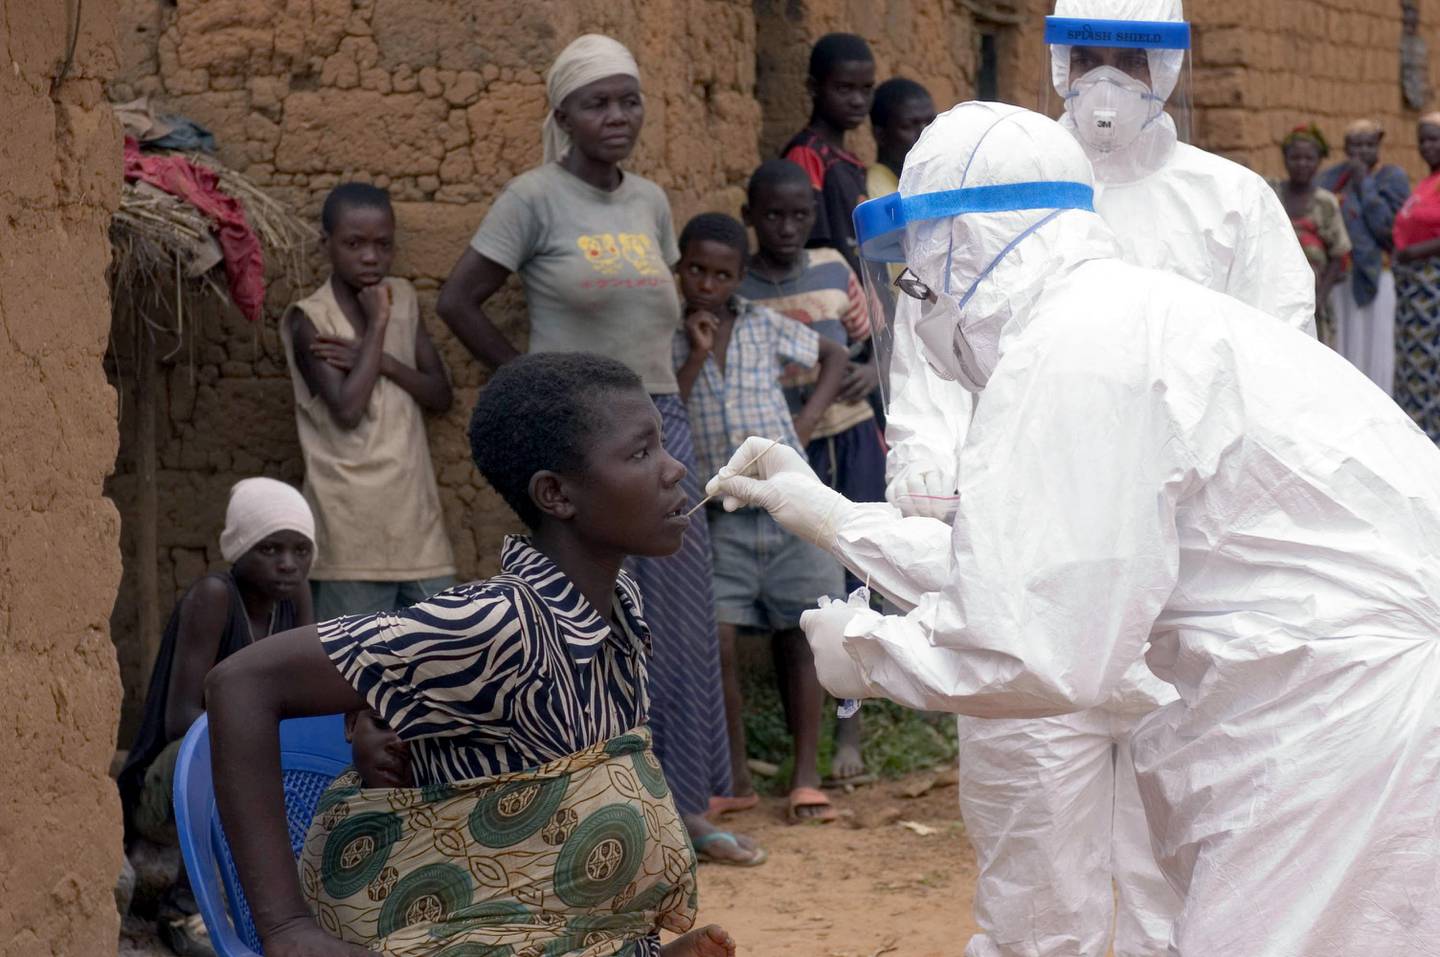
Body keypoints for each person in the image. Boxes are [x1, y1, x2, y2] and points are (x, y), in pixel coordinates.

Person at [710, 100, 1440, 957]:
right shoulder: (1111, 319)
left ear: (965, 245)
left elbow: (1048, 646)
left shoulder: (1073, 347)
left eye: (917, 274)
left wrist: (871, 653)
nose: (918, 298)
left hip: (1341, 708)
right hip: (1340, 694)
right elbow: (1037, 567)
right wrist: (836, 518)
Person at [880, 3, 1318, 955]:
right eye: (1089, 56)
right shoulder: (993, 185)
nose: (1106, 80)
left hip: (1181, 592)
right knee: (1033, 860)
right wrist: (925, 460)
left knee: (1190, 861)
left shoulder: (1232, 204)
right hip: (1031, 570)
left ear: (1169, 69)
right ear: (1056, 59)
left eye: (1132, 57)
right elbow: (934, 344)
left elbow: (1275, 376)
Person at [205, 353, 737, 957]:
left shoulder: (621, 613)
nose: (674, 471)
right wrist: (284, 929)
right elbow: (241, 682)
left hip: (547, 928)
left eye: (662, 447)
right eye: (641, 453)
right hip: (445, 934)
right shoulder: (497, 627)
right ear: (557, 494)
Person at [436, 33, 734, 868]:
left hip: (660, 426)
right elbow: (459, 300)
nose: (617, 116)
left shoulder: (649, 202)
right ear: (562, 113)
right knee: (587, 628)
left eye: (628, 100)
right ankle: (601, 809)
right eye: (597, 102)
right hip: (583, 452)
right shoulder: (532, 198)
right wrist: (534, 384)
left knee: (676, 622)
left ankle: (687, 809)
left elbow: (654, 319)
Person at [675, 211, 849, 824]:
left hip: (787, 505)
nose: (707, 284)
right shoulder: (671, 341)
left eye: (722, 275)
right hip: (719, 515)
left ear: (739, 280)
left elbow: (832, 355)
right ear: (679, 271)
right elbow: (674, 400)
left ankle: (806, 776)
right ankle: (737, 777)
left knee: (804, 633)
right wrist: (695, 352)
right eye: (695, 270)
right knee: (716, 638)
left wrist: (798, 431)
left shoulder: (763, 325)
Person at [117, 477, 315, 952]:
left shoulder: (296, 599)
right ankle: (183, 909)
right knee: (235, 756)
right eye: (270, 548)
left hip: (250, 762)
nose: (288, 564)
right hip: (165, 787)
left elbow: (310, 700)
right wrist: (261, 739)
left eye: (300, 550)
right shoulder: (215, 597)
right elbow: (180, 719)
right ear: (240, 547)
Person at [735, 159, 883, 785]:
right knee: (795, 581)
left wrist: (871, 373)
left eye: (799, 215)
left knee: (854, 572)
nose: (787, 227)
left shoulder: (830, 267)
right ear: (750, 218)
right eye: (773, 215)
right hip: (778, 453)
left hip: (843, 440)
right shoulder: (736, 287)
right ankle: (805, 731)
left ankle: (851, 724)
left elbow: (877, 336)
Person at [280, 182, 456, 621]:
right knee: (351, 676)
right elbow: (347, 411)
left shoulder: (405, 300)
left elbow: (441, 394)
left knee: (440, 666)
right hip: (350, 535)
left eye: (383, 245)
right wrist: (377, 324)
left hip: (418, 532)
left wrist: (384, 363)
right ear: (327, 245)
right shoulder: (312, 320)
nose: (371, 257)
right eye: (354, 244)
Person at [1319, 118, 1411, 394]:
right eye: (1356, 145)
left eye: (1369, 144)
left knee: (1374, 342)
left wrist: (1364, 184)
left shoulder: (1392, 178)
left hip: (1377, 277)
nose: (1362, 151)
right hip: (1340, 278)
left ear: (1379, 147)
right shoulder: (1332, 178)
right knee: (1346, 344)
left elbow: (1388, 230)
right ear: (1346, 148)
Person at [781, 33, 877, 275]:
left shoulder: (850, 161)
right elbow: (813, 244)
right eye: (844, 88)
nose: (858, 101)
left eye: (866, 89)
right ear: (814, 87)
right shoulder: (807, 154)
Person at [1271, 124, 1351, 345]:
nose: (1302, 164)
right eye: (1295, 158)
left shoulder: (1325, 202)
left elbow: (1338, 254)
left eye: (1309, 158)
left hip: (1315, 297)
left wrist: (1319, 297)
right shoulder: (1271, 192)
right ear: (1285, 159)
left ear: (1319, 162)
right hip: (1275, 293)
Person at [1392, 113, 1440, 444]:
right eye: (1422, 139)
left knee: (1432, 366)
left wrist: (1414, 252)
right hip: (1415, 292)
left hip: (1433, 293)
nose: (1427, 146)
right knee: (1413, 367)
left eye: (1434, 138)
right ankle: (1419, 440)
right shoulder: (1426, 183)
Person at [866, 78, 937, 203]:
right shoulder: (874, 193)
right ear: (880, 135)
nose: (925, 134)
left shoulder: (924, 186)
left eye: (931, 124)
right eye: (908, 126)